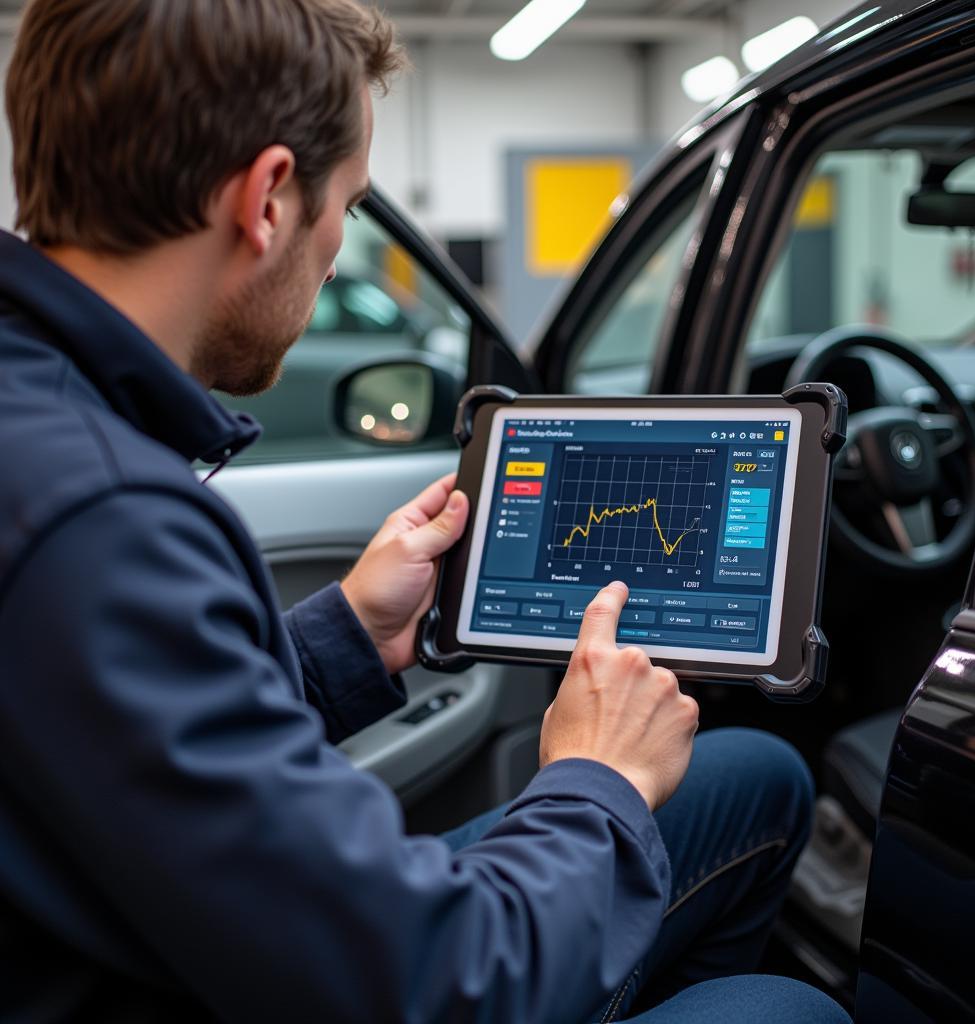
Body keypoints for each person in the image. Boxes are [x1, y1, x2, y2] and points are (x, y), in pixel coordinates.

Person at [0, 2, 850, 1021]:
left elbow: (143, 765)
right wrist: (594, 775)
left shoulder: (45, 431)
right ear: (269, 197)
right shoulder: (102, 517)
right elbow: (430, 979)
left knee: (757, 772)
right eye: (348, 204)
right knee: (787, 1011)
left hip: (194, 941)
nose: (333, 244)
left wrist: (347, 636)